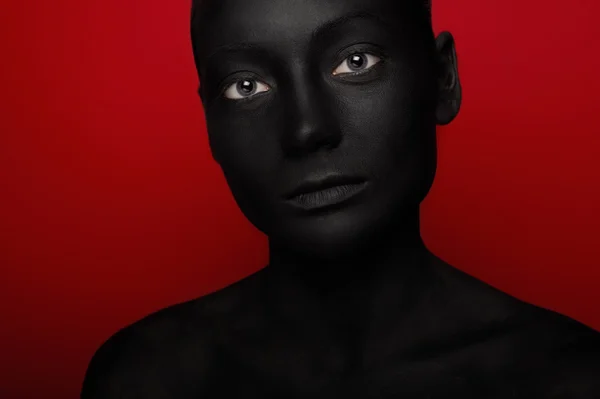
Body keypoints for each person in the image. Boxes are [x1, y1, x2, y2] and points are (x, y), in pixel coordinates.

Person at [81, 0, 600, 397]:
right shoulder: (140, 378)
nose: (307, 129)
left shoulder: (570, 376)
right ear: (209, 125)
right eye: (246, 87)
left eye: (356, 61)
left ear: (443, 78)